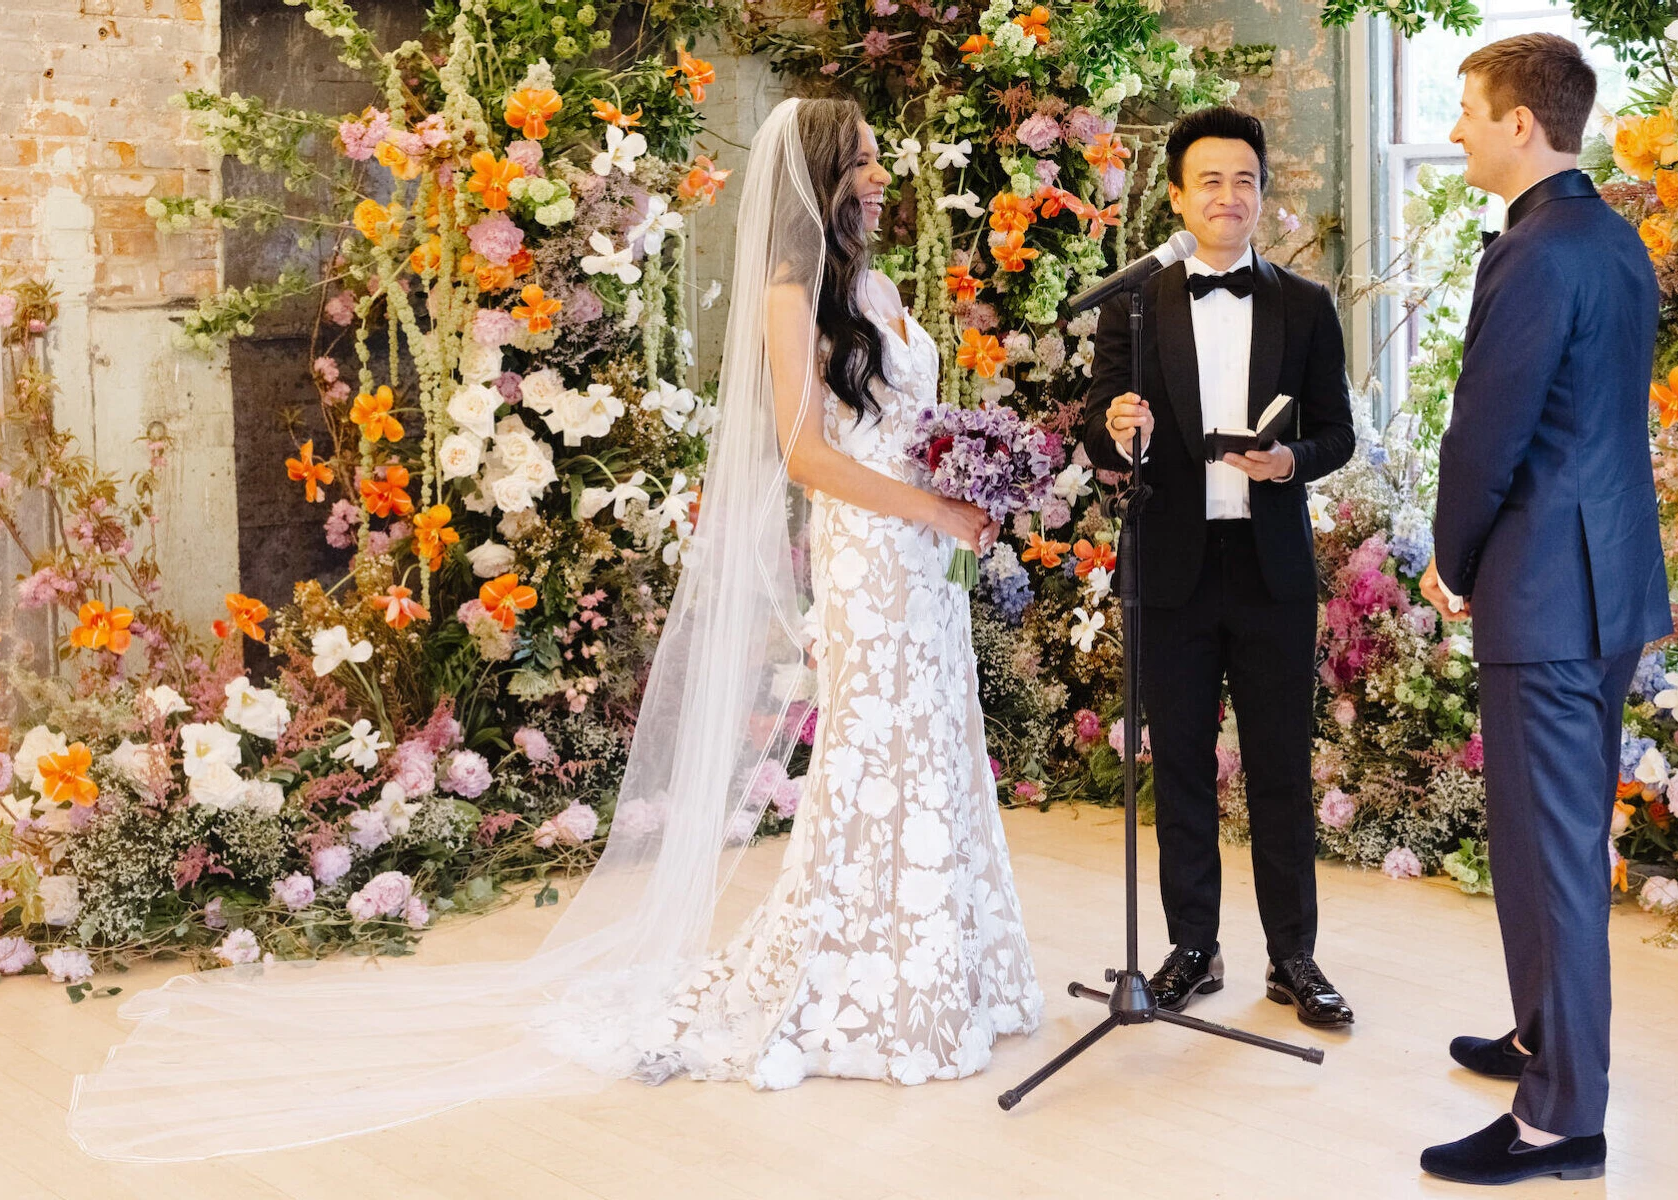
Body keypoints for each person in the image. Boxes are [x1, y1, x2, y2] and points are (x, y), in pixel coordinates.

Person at [67, 97, 1041, 1163]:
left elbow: (908, 426)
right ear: (815, 179)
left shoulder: (882, 291)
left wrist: (973, 470)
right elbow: (807, 460)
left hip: (925, 567)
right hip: (872, 567)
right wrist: (932, 506)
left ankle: (951, 974)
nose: (874, 177)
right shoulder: (787, 293)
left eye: (872, 159)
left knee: (938, 754)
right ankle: (867, 990)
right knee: (874, 762)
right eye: (856, 163)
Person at [1414, 34, 1670, 1186]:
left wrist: (1451, 559)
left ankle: (1561, 1118)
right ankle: (1538, 1035)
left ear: (1522, 124)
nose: (1457, 127)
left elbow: (1487, 432)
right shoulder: (1611, 239)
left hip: (1542, 592)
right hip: (1604, 581)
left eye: (1468, 110)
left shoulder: (1533, 254)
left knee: (1554, 854)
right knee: (1541, 839)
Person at [1079, 107, 1358, 1031]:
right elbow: (1097, 432)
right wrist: (1117, 435)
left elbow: (1336, 434)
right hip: (1173, 567)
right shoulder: (1134, 303)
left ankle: (1295, 958)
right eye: (1209, 180)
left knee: (1280, 769)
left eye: (1245, 180)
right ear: (1175, 195)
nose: (1229, 196)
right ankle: (1193, 948)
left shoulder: (1305, 305)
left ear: (1264, 194)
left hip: (1272, 571)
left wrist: (1291, 463)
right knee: (1185, 770)